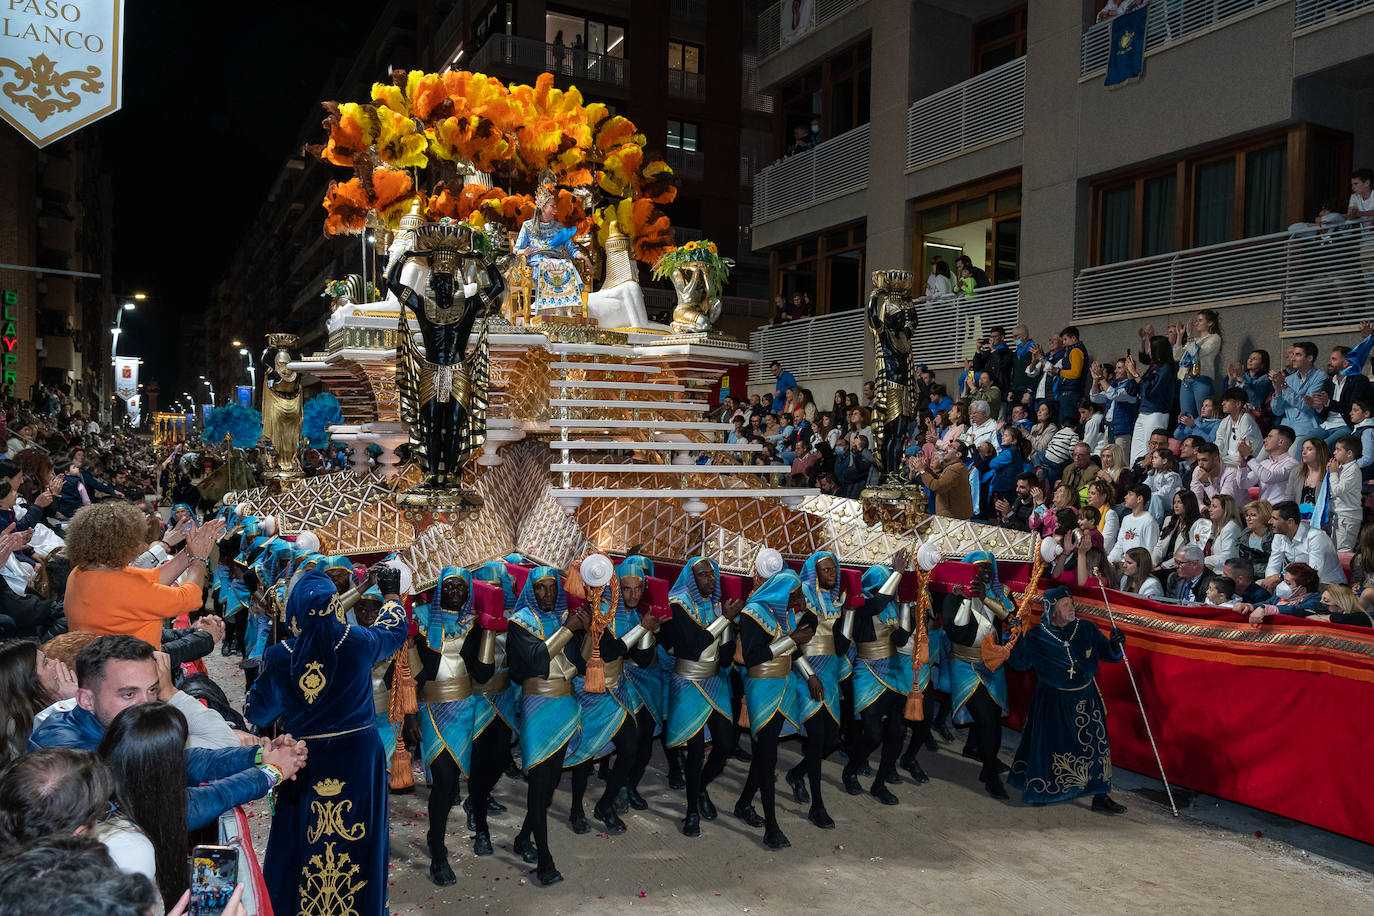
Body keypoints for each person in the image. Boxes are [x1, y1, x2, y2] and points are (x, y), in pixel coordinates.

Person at [244, 566, 408, 914]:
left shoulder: (280, 655)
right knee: (360, 836)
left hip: (304, 761)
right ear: (335, 605)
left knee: (302, 838)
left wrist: (262, 681)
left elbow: (257, 713)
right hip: (358, 759)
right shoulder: (358, 642)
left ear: (294, 611)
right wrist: (390, 594)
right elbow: (393, 630)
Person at [1008, 585, 1126, 813]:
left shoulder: (1086, 629)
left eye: (1072, 603)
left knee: (1097, 747)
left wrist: (1115, 644)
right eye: (1066, 604)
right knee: (1047, 746)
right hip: (1052, 701)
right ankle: (1041, 790)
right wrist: (1015, 639)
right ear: (1052, 609)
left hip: (1086, 698)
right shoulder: (1036, 636)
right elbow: (1019, 664)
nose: (1072, 607)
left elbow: (1110, 655)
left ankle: (1101, 796)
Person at [502, 566, 586, 886]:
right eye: (541, 588)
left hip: (566, 705)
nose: (548, 594)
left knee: (549, 784)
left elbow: (579, 664)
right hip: (537, 706)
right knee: (539, 784)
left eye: (552, 587)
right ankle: (545, 861)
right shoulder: (520, 622)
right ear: (531, 590)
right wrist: (568, 629)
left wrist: (589, 631)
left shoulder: (565, 617)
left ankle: (523, 838)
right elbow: (535, 661)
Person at [63, 503, 223, 651]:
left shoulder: (80, 572)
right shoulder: (121, 587)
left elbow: (152, 577)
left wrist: (189, 552)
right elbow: (189, 598)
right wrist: (199, 559)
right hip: (132, 666)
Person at [660, 557, 741, 838]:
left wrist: (729, 632)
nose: (710, 579)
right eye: (703, 575)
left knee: (725, 745)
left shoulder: (719, 605)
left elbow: (726, 653)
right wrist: (725, 620)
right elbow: (692, 648)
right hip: (687, 682)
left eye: (712, 574)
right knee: (695, 752)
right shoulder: (679, 604)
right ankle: (692, 811)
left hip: (714, 681)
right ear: (692, 579)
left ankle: (700, 787)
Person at [410, 567, 480, 885]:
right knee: (443, 780)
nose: (455, 592)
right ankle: (438, 852)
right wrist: (411, 715)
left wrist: (489, 631)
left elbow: (480, 672)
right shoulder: (422, 619)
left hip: (464, 709)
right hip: (431, 708)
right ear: (439, 588)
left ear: (468, 592)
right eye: (449, 586)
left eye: (461, 587)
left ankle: (435, 836)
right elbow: (412, 674)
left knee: (452, 782)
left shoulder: (473, 623)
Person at [733, 568, 810, 849]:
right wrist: (792, 639)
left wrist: (811, 675)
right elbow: (753, 656)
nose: (799, 600)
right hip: (762, 688)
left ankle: (744, 804)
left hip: (784, 685)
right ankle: (772, 826)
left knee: (765, 754)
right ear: (781, 593)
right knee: (767, 757)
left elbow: (793, 650)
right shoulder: (752, 614)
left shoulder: (784, 611)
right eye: (795, 595)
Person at [784, 551, 847, 830]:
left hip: (829, 675)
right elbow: (792, 642)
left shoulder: (835, 600)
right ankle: (817, 807)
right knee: (817, 737)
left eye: (834, 568)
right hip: (806, 674)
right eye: (826, 569)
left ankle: (796, 774)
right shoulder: (803, 598)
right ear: (814, 572)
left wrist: (850, 612)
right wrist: (809, 675)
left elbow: (841, 647)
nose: (832, 573)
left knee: (832, 739)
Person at [941, 553, 1012, 798]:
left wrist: (986, 598)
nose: (985, 574)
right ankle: (991, 776)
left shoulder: (999, 594)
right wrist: (966, 600)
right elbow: (956, 632)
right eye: (980, 569)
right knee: (986, 719)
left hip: (993, 665)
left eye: (989, 569)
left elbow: (1011, 616)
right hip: (965, 665)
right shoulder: (953, 597)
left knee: (994, 717)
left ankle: (981, 755)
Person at [842, 556, 909, 807]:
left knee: (898, 731)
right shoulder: (860, 604)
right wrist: (898, 573)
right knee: (872, 734)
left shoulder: (891, 606)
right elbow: (877, 604)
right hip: (867, 670)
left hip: (894, 670)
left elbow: (901, 639)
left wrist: (907, 606)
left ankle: (879, 784)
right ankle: (850, 770)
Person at [608, 557, 669, 811]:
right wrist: (644, 628)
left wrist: (652, 628)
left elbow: (645, 659)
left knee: (646, 741)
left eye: (638, 588)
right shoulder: (610, 616)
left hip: (649, 679)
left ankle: (631, 785)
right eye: (626, 588)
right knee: (629, 742)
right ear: (617, 588)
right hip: (624, 682)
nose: (633, 595)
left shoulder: (644, 614)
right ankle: (618, 786)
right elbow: (616, 652)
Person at [0, 639, 74, 763]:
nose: (55, 662)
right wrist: (74, 705)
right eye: (45, 663)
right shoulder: (20, 734)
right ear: (26, 682)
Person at [1261, 500, 1345, 591]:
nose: (1270, 522)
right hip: (1296, 583)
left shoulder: (1316, 537)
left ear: (1290, 522)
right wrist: (1271, 580)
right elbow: (1273, 565)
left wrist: (1280, 577)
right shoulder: (1279, 536)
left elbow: (1312, 574)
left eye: (1275, 518)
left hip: (1329, 586)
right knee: (1262, 587)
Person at [1125, 336, 1175, 465]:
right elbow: (1136, 388)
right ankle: (1135, 471)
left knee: (1151, 449)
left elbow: (1151, 389)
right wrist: (1130, 373)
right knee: (1136, 449)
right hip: (1143, 411)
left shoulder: (1167, 368)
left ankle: (1149, 473)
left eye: (1150, 347)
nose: (1148, 351)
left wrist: (1135, 373)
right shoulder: (1154, 366)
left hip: (1157, 412)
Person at [1271, 342, 1325, 452]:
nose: (1293, 358)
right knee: (1261, 456)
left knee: (1290, 456)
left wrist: (1284, 386)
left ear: (1309, 358)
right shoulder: (1288, 379)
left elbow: (1306, 405)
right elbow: (1277, 411)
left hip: (1305, 427)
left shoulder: (1320, 376)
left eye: (1298, 355)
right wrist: (1278, 391)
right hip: (1285, 427)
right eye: (1293, 354)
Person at [1236, 562, 1325, 625]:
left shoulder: (1315, 600)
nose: (1282, 585)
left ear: (1302, 590)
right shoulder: (1281, 595)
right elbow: (1267, 604)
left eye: (1288, 583)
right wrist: (1249, 606)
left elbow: (1297, 610)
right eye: (1283, 580)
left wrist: (1269, 609)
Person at [1171, 311, 1222, 418]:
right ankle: (1187, 429)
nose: (1196, 323)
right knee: (1185, 415)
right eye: (1196, 321)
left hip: (1201, 380)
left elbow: (1199, 353)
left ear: (1210, 323)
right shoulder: (1194, 340)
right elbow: (1177, 356)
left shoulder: (1214, 338)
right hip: (1186, 380)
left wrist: (1189, 336)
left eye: (1200, 320)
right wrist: (1180, 335)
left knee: (1204, 414)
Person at [1237, 425, 1298, 502]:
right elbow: (1243, 484)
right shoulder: (1264, 463)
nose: (1265, 440)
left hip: (1280, 508)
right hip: (1262, 508)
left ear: (1281, 442)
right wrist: (1242, 464)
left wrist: (1248, 457)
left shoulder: (1293, 464)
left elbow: (1268, 478)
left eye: (1270, 436)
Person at [913, 441, 973, 519]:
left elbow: (937, 486)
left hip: (953, 519)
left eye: (951, 447)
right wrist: (925, 468)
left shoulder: (956, 469)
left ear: (958, 454)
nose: (946, 449)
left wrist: (922, 471)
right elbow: (939, 480)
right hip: (953, 517)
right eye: (948, 446)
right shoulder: (955, 467)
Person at [1108, 484, 1159, 566]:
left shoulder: (1149, 521)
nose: (1125, 497)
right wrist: (1109, 562)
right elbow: (1120, 544)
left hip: (1139, 566)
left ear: (1139, 499)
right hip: (1125, 563)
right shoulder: (1126, 519)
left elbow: (1150, 549)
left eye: (1130, 494)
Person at [1327, 436, 1363, 551]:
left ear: (1349, 453)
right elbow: (1331, 491)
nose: (1334, 452)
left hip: (1348, 517)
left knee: (1343, 552)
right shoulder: (1341, 467)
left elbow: (1337, 491)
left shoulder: (1353, 469)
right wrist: (1330, 472)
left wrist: (1333, 473)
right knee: (1334, 552)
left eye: (1338, 449)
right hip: (1339, 515)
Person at [1214, 387, 1263, 467]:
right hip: (1227, 460)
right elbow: (1219, 443)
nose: (1223, 403)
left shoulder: (1246, 419)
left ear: (1238, 404)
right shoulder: (1225, 421)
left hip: (1244, 463)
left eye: (1227, 400)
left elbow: (1246, 451)